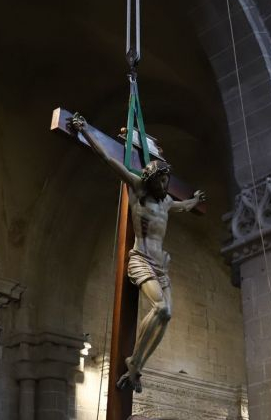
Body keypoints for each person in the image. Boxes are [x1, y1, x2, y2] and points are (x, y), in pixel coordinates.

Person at [67, 113, 205, 393]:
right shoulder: (138, 190)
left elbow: (186, 206)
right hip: (141, 259)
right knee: (161, 308)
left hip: (161, 265)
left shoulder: (166, 202)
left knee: (166, 317)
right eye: (161, 180)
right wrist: (85, 132)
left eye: (167, 181)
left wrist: (196, 200)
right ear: (150, 178)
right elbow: (109, 159)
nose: (165, 186)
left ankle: (136, 363)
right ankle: (134, 362)